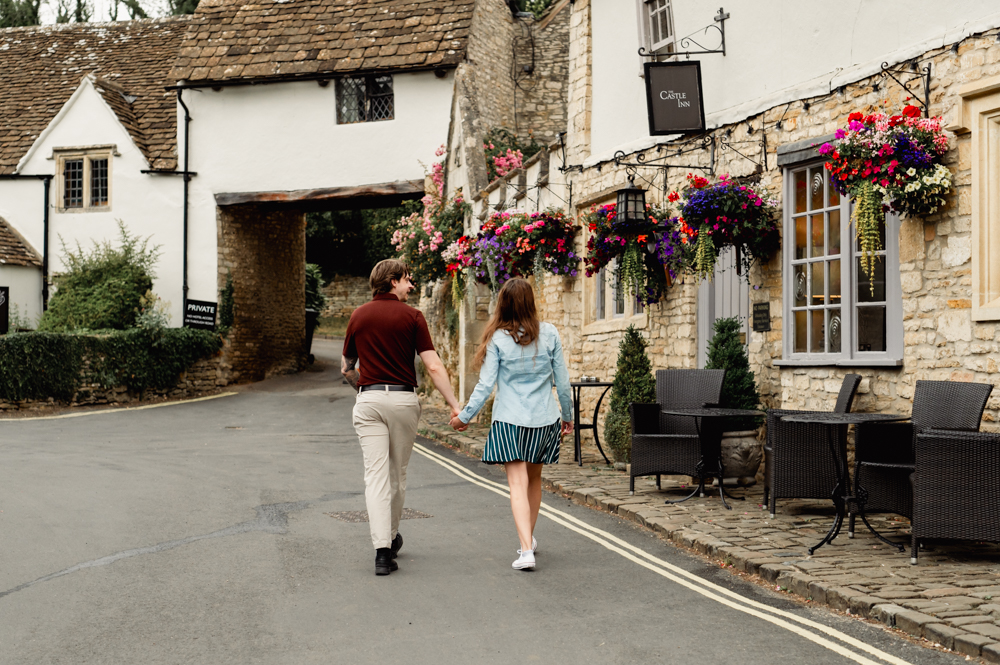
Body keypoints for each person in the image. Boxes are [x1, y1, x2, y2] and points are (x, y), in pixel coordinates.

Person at [342, 259, 462, 576]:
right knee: (396, 475)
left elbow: (347, 368)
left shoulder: (358, 316)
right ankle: (391, 539)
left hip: (368, 401)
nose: (411, 286)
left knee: (375, 476)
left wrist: (364, 390)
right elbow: (434, 366)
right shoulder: (413, 317)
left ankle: (383, 551)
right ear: (393, 281)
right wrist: (454, 405)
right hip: (402, 399)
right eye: (408, 280)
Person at [450, 277, 572, 571]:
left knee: (517, 484)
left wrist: (464, 416)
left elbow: (485, 385)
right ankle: (526, 540)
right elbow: (563, 384)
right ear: (531, 302)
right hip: (545, 420)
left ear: (503, 303)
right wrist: (567, 417)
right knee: (533, 480)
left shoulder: (498, 339)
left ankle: (526, 550)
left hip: (510, 422)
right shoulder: (550, 334)